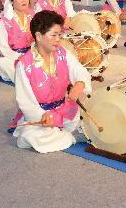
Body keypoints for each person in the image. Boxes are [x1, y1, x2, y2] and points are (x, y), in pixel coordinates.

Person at [10, 10, 91, 153]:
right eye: (53, 35)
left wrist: (80, 83)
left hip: (65, 110)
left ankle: (64, 133)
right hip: (42, 116)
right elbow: (25, 101)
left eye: (59, 35)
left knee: (93, 118)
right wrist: (41, 116)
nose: (58, 39)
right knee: (30, 137)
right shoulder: (24, 64)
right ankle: (72, 138)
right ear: (39, 36)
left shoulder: (62, 53)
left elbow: (80, 71)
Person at [0, 0, 35, 82]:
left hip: (33, 53)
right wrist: (19, 56)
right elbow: (3, 48)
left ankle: (30, 77)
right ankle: (28, 80)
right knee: (1, 62)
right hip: (14, 56)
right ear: (12, 1)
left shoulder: (34, 15)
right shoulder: (4, 22)